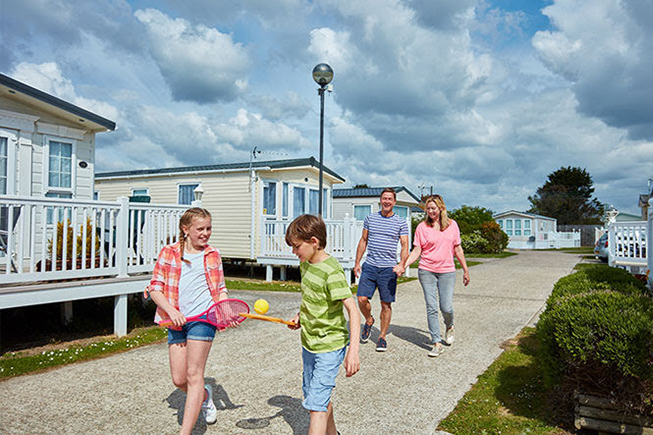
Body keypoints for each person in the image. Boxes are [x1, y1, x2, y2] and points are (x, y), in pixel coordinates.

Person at [145, 207, 231, 434]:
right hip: (176, 320)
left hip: (204, 318)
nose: (206, 233)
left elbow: (220, 289)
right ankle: (205, 395)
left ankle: (186, 432)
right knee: (178, 379)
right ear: (186, 229)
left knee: (194, 375)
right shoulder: (168, 252)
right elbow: (154, 288)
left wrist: (224, 308)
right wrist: (170, 311)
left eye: (209, 228)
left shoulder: (213, 254)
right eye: (200, 229)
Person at [285, 214, 360, 435]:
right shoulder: (306, 265)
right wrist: (301, 315)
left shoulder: (332, 271)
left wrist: (353, 352)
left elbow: (353, 312)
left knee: (315, 407)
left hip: (330, 346)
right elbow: (312, 298)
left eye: (297, 246)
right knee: (316, 397)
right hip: (309, 344)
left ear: (314, 242)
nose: (294, 252)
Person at [396, 195, 470, 358]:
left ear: (441, 208)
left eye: (433, 208)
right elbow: (416, 251)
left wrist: (465, 269)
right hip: (426, 270)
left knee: (446, 307)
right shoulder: (422, 227)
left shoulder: (452, 225)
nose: (430, 211)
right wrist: (403, 265)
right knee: (431, 306)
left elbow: (458, 249)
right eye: (428, 209)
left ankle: (449, 325)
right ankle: (436, 342)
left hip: (447, 271)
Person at [353, 187, 409, 352]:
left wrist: (402, 264)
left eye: (390, 199)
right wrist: (357, 263)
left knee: (386, 305)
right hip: (370, 266)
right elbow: (363, 240)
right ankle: (369, 320)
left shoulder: (400, 222)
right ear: (380, 200)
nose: (386, 201)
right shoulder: (370, 218)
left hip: (388, 269)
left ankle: (382, 337)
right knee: (362, 298)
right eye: (384, 198)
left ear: (394, 202)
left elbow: (405, 245)